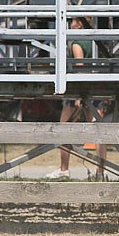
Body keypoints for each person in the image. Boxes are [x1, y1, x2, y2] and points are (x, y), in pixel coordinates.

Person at [45, 17, 107, 180]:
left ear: (79, 23)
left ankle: (64, 169)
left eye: (72, 21)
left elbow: (80, 67)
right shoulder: (94, 40)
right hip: (97, 88)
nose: (70, 23)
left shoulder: (77, 42)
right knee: (98, 131)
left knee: (64, 127)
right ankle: (100, 172)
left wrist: (79, 95)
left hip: (79, 91)